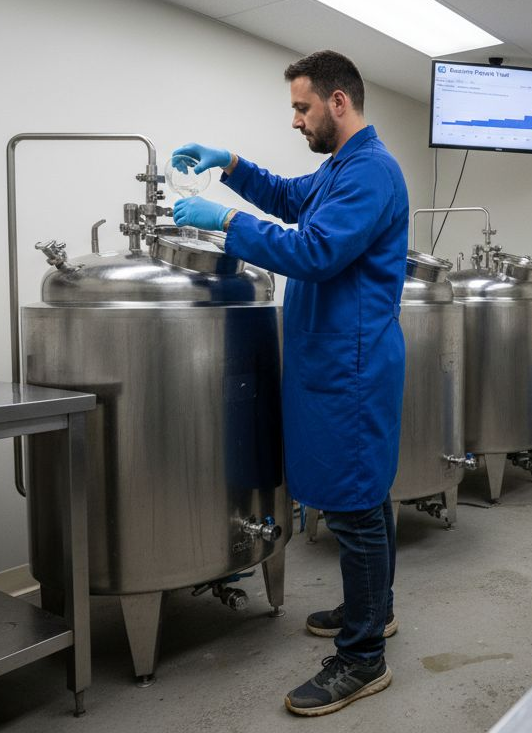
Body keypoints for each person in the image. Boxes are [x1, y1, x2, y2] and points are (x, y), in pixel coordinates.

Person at [171, 50, 407, 717]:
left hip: (351, 370)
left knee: (357, 508)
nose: (296, 121)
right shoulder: (340, 170)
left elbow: (315, 251)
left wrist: (224, 224)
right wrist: (232, 167)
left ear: (339, 103)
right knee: (367, 499)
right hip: (335, 362)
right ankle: (376, 611)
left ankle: (363, 660)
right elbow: (288, 196)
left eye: (303, 108)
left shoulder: (372, 174)